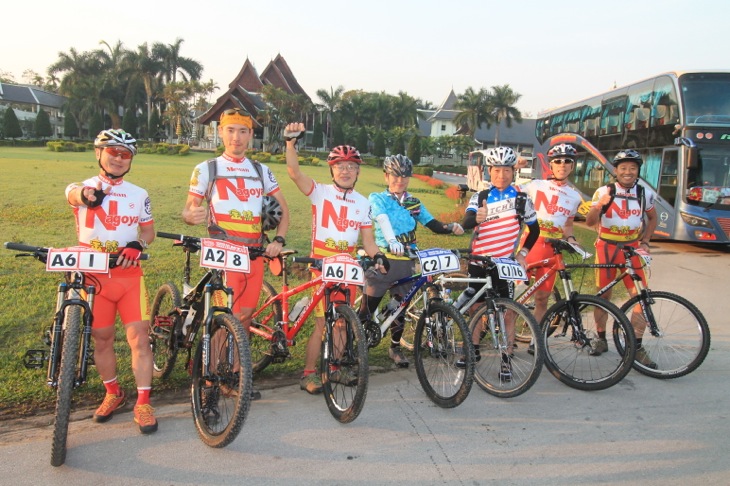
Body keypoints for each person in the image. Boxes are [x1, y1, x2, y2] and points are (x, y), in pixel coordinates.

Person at [183, 108, 290, 400]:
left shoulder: (261, 170)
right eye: (230, 130)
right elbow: (188, 209)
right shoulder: (207, 168)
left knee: (244, 317)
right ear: (220, 132)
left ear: (251, 136)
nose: (236, 138)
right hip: (224, 251)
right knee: (222, 315)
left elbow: (284, 212)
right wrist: (192, 216)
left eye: (243, 131)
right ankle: (209, 379)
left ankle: (234, 375)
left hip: (254, 252)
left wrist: (278, 240)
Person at [283, 122, 389, 394]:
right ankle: (308, 374)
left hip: (348, 269)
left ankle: (335, 369)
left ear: (358, 172)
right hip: (321, 266)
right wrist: (290, 143)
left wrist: (378, 256)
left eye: (351, 167)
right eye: (340, 166)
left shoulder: (364, 203)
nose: (346, 171)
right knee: (322, 324)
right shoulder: (320, 192)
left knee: (342, 321)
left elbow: (368, 241)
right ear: (331, 170)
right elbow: (294, 172)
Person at [64, 129, 157, 434]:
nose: (118, 158)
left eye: (125, 154)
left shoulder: (139, 193)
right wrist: (86, 196)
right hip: (93, 276)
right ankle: (113, 393)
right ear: (98, 154)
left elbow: (148, 232)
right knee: (101, 339)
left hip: (129, 276)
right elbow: (73, 194)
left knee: (140, 339)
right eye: (112, 152)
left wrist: (138, 245)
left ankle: (143, 402)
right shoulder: (83, 187)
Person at [358, 154, 465, 367]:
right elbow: (382, 219)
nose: (400, 181)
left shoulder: (413, 202)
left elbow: (432, 223)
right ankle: (354, 347)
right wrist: (391, 240)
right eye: (395, 177)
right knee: (367, 310)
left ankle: (395, 348)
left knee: (400, 307)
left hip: (407, 262)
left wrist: (451, 226)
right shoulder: (377, 198)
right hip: (382, 262)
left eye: (404, 177)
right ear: (386, 176)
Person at [459, 146, 540, 377]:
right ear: (489, 171)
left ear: (513, 172)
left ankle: (506, 357)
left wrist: (523, 254)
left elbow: (535, 230)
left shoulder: (522, 198)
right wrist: (476, 218)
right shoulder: (481, 196)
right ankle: (472, 350)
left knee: (507, 311)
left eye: (506, 170)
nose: (501, 175)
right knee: (475, 306)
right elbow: (466, 221)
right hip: (479, 261)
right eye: (496, 170)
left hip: (504, 263)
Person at [585, 149, 658, 367]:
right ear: (616, 171)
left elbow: (652, 219)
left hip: (632, 249)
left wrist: (645, 241)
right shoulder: (604, 190)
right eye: (623, 168)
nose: (628, 172)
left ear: (638, 171)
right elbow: (589, 222)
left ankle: (636, 345)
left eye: (632, 168)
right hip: (607, 247)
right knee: (603, 296)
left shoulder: (645, 193)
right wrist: (599, 205)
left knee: (641, 297)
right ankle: (600, 338)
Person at [519, 143, 583, 352]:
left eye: (567, 161)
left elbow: (568, 224)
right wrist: (516, 163)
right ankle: (505, 335)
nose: (562, 165)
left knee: (542, 298)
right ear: (551, 164)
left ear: (572, 166)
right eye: (558, 161)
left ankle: (534, 340)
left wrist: (571, 238)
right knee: (518, 293)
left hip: (553, 248)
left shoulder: (574, 197)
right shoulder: (535, 185)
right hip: (531, 244)